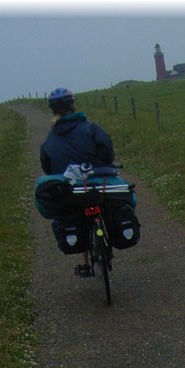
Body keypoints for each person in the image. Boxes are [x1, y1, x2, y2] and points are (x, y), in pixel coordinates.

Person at [38, 87, 118, 276]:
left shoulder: (50, 138)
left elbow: (47, 167)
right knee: (105, 201)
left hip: (71, 187)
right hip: (97, 179)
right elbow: (107, 149)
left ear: (52, 110)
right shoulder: (91, 128)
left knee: (76, 214)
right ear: (73, 105)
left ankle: (84, 262)